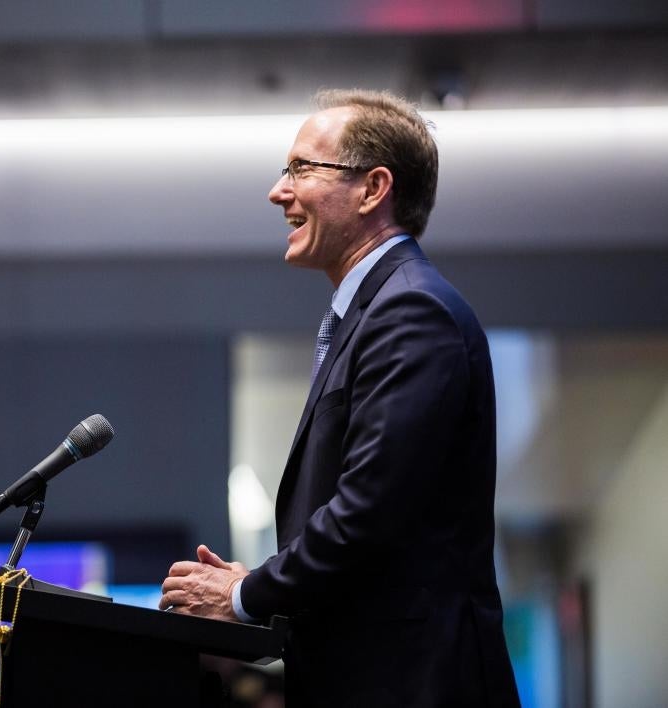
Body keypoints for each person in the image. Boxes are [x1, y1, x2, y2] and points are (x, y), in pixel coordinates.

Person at [159, 89, 520, 706]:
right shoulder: (378, 309)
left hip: (413, 684)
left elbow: (368, 513)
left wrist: (244, 596)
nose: (279, 192)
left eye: (301, 169)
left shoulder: (410, 310)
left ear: (373, 188)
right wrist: (259, 583)